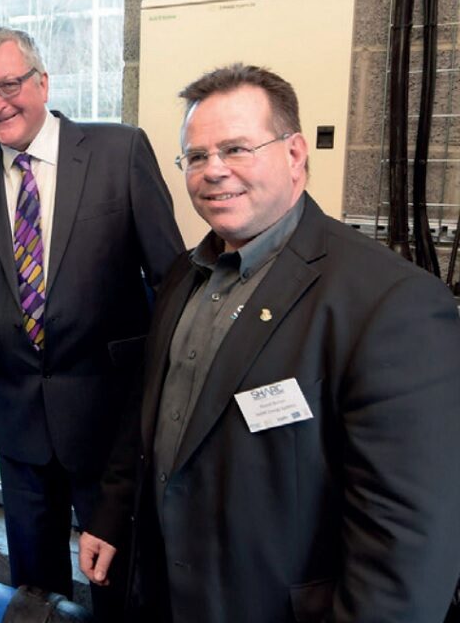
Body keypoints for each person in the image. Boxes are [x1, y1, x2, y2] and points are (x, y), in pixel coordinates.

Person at [79, 64, 460, 623]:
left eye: (236, 149)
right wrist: (112, 516)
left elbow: (407, 545)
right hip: (169, 593)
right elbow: (149, 414)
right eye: (197, 156)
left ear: (295, 155)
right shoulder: (185, 276)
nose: (214, 172)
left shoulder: (391, 304)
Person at [0, 27, 183, 618]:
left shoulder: (119, 152)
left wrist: (171, 388)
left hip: (111, 421)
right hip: (20, 421)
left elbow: (171, 279)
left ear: (42, 82)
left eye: (9, 84)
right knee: (34, 589)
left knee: (120, 582)